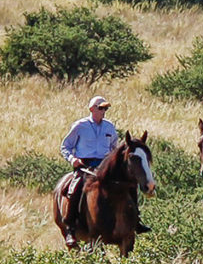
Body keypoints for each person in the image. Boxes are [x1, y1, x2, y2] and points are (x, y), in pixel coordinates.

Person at [59, 95, 149, 243]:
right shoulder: (80, 126)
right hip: (85, 166)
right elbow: (65, 146)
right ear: (92, 109)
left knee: (129, 185)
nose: (104, 111)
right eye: (101, 108)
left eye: (105, 108)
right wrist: (72, 159)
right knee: (75, 187)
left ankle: (136, 221)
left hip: (104, 166)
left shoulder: (109, 127)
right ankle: (70, 228)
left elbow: (114, 148)